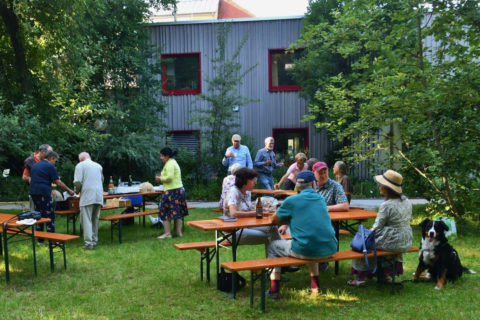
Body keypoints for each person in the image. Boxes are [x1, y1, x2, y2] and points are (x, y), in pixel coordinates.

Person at [266, 171, 338, 299]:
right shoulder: (320, 199)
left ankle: (274, 289)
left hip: (307, 249)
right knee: (311, 239)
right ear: (313, 185)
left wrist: (288, 218)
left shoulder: (292, 200)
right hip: (330, 248)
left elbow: (273, 220)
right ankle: (315, 287)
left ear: (297, 186)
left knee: (273, 246)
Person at [348, 169, 413, 286]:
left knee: (363, 245)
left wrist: (365, 235)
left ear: (387, 188)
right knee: (377, 243)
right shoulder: (407, 201)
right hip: (406, 239)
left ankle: (360, 278)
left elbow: (377, 228)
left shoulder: (386, 205)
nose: (378, 186)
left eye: (381, 184)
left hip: (393, 241)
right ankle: (385, 274)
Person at [223, 167, 281, 251]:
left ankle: (278, 258)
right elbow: (233, 213)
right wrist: (255, 213)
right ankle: (280, 257)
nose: (256, 183)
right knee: (269, 235)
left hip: (246, 225)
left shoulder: (247, 192)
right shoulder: (234, 192)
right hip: (233, 230)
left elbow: (248, 210)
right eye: (253, 181)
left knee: (273, 227)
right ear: (245, 181)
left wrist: (263, 209)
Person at [30, 151, 74, 236]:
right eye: (55, 161)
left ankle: (40, 238)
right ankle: (52, 238)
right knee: (49, 214)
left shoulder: (35, 165)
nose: (55, 163)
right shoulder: (50, 166)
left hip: (33, 192)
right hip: (44, 192)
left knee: (38, 214)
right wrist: (69, 191)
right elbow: (58, 182)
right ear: (51, 158)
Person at [156, 147, 189, 239]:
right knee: (177, 212)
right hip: (178, 190)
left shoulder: (170, 164)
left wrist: (160, 178)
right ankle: (178, 233)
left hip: (172, 191)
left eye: (162, 156)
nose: (161, 158)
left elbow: (169, 177)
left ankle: (167, 234)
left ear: (167, 156)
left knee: (165, 211)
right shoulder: (172, 162)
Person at [73, 152, 104, 250]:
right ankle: (94, 241)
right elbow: (102, 180)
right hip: (98, 195)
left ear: (81, 159)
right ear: (89, 157)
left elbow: (77, 182)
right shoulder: (98, 166)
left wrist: (76, 192)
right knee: (95, 219)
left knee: (86, 220)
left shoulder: (80, 165)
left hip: (87, 196)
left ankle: (88, 243)